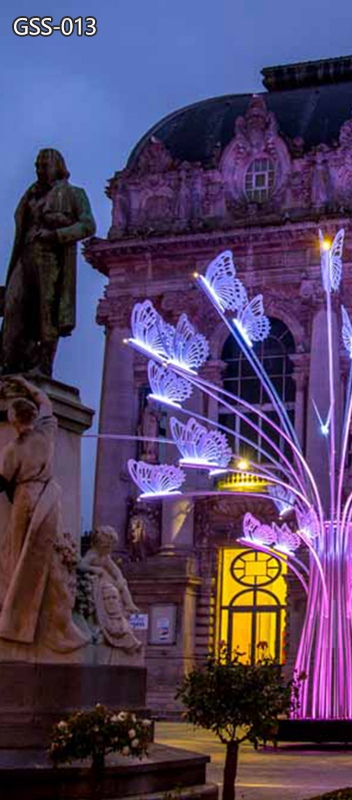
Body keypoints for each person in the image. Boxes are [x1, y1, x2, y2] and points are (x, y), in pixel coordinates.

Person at [0, 376, 89, 652]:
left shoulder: (13, 449)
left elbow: (2, 483)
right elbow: (45, 401)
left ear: (14, 421)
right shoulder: (47, 431)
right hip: (49, 497)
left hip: (26, 501)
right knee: (46, 557)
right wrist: (25, 384)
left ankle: (15, 620)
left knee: (20, 559)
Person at [1, 148, 95, 376]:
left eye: (44, 166)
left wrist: (56, 234)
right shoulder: (30, 195)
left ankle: (43, 365)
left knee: (47, 310)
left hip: (52, 258)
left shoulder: (74, 193)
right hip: (25, 256)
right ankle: (11, 361)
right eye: (37, 166)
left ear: (57, 167)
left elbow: (88, 226)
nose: (39, 170)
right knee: (13, 306)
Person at [79, 526, 142, 655]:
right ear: (100, 544)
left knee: (122, 583)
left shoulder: (105, 557)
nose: (109, 549)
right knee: (112, 592)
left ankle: (129, 603)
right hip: (99, 584)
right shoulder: (92, 555)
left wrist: (119, 578)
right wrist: (94, 569)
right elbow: (81, 565)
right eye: (107, 546)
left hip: (106, 583)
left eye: (111, 547)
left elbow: (115, 570)